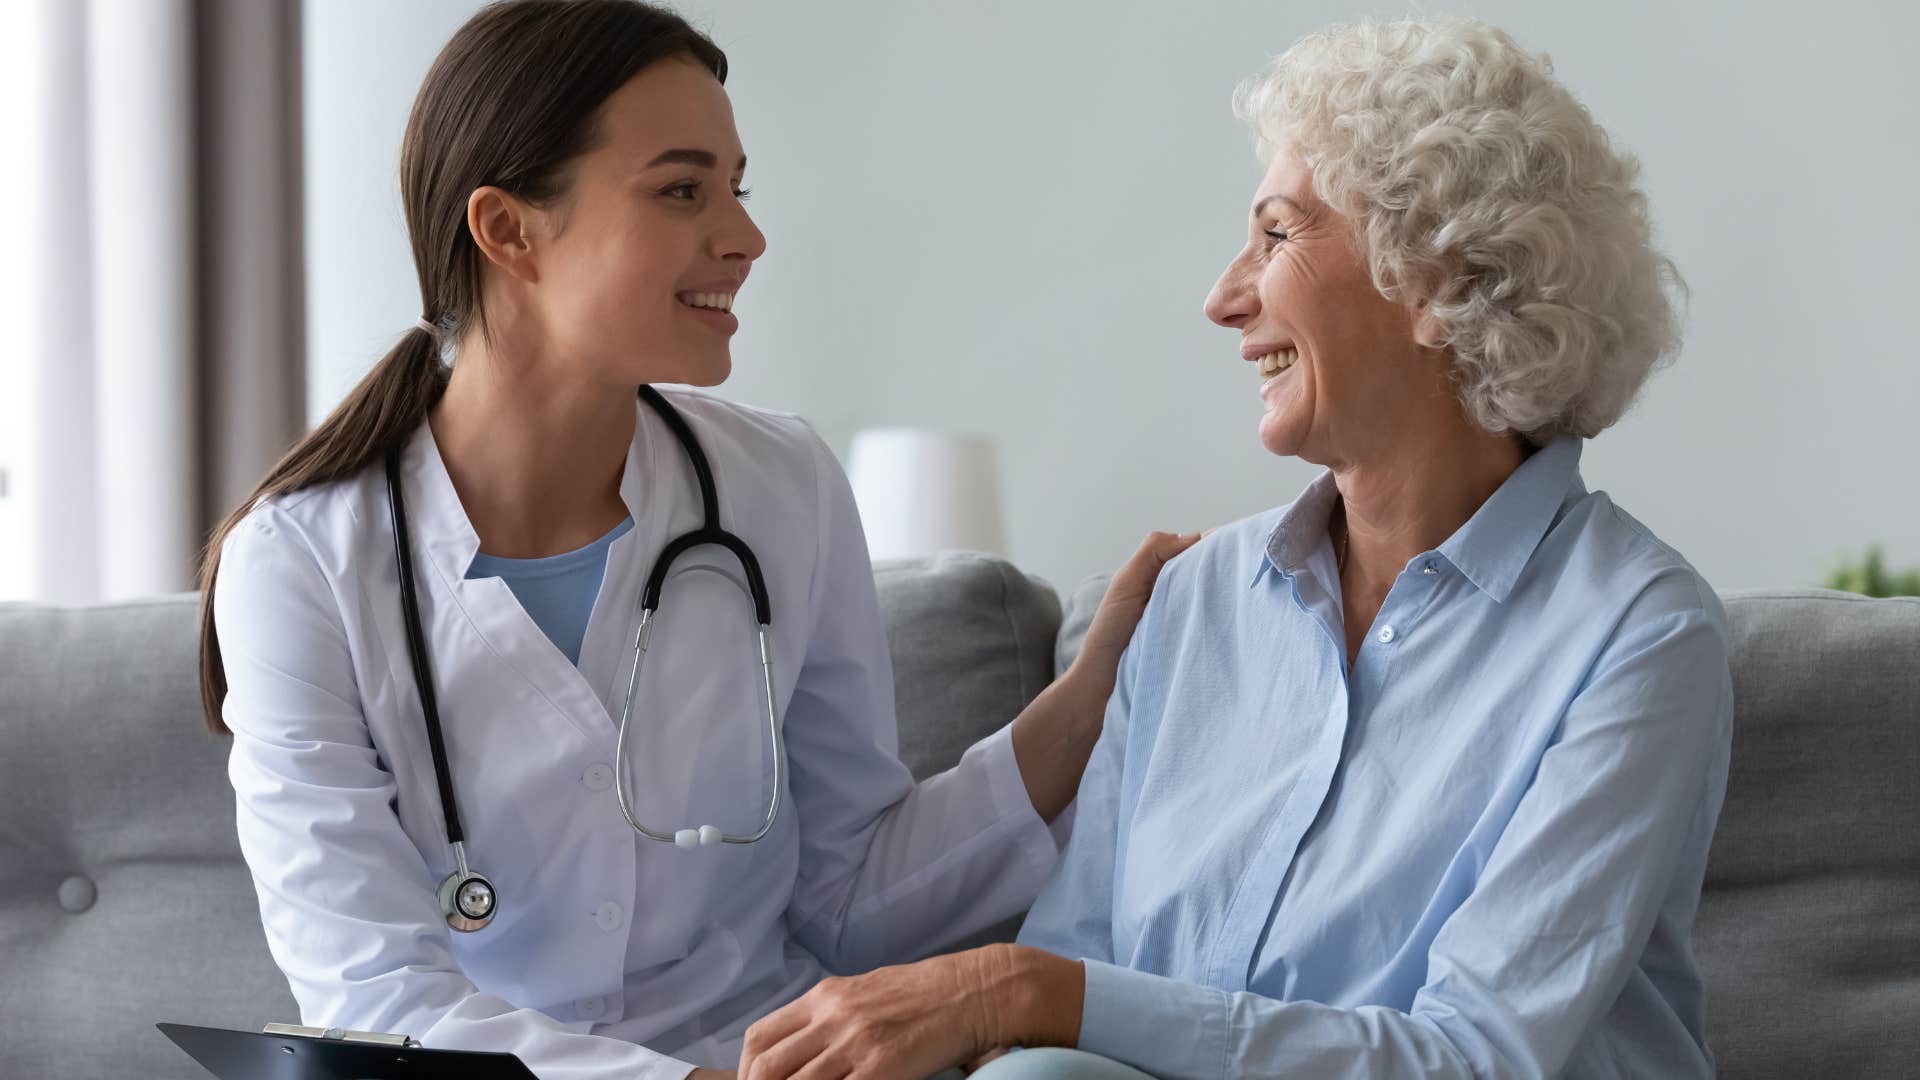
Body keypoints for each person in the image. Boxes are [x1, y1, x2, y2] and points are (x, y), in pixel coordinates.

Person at [198, 3, 1194, 1078]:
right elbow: (375, 994)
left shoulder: (782, 486)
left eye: (736, 186)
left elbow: (851, 896)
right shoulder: (298, 564)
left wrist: (1089, 701)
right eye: (682, 190)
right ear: (508, 230)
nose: (745, 236)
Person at [736, 16, 1732, 1080]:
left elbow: (1477, 1060)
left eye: (1276, 234)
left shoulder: (1637, 631)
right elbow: (1074, 998)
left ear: (1436, 278)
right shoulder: (1195, 602)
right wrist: (1035, 1001)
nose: (1224, 298)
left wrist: (1018, 989)